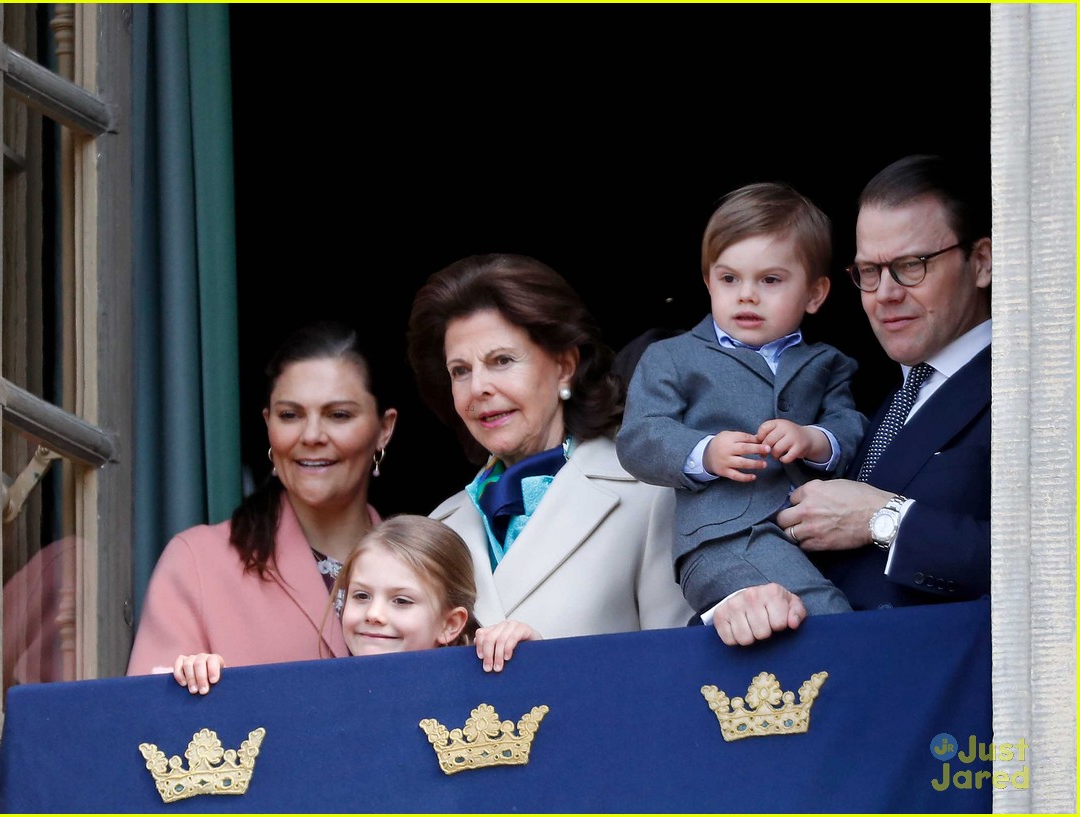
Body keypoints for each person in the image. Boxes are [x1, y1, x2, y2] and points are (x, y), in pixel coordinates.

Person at [719, 154, 993, 645]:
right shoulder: (869, 395)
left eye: (912, 266)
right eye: (869, 271)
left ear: (981, 262)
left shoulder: (1034, 391)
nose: (883, 293)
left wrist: (883, 519)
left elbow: (1054, 566)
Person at [406, 253, 695, 639]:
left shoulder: (649, 494)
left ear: (564, 366)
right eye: (460, 371)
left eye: (502, 360)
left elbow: (673, 669)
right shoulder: (438, 526)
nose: (478, 388)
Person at [616, 182, 865, 620]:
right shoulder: (673, 357)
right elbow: (639, 438)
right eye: (730, 278)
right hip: (724, 540)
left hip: (811, 537)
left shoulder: (828, 363)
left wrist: (813, 439)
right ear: (708, 281)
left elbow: (852, 427)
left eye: (770, 280)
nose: (747, 294)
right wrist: (704, 452)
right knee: (827, 615)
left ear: (815, 293)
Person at [126, 320, 398, 674]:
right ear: (269, 425)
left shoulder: (422, 564)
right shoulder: (198, 563)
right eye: (290, 415)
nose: (312, 435)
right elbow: (151, 721)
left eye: (338, 415)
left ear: (384, 429)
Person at [174, 514, 542, 693]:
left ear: (450, 624)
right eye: (361, 595)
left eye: (401, 601)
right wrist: (205, 678)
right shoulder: (314, 696)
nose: (375, 615)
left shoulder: (480, 687)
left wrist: (535, 659)